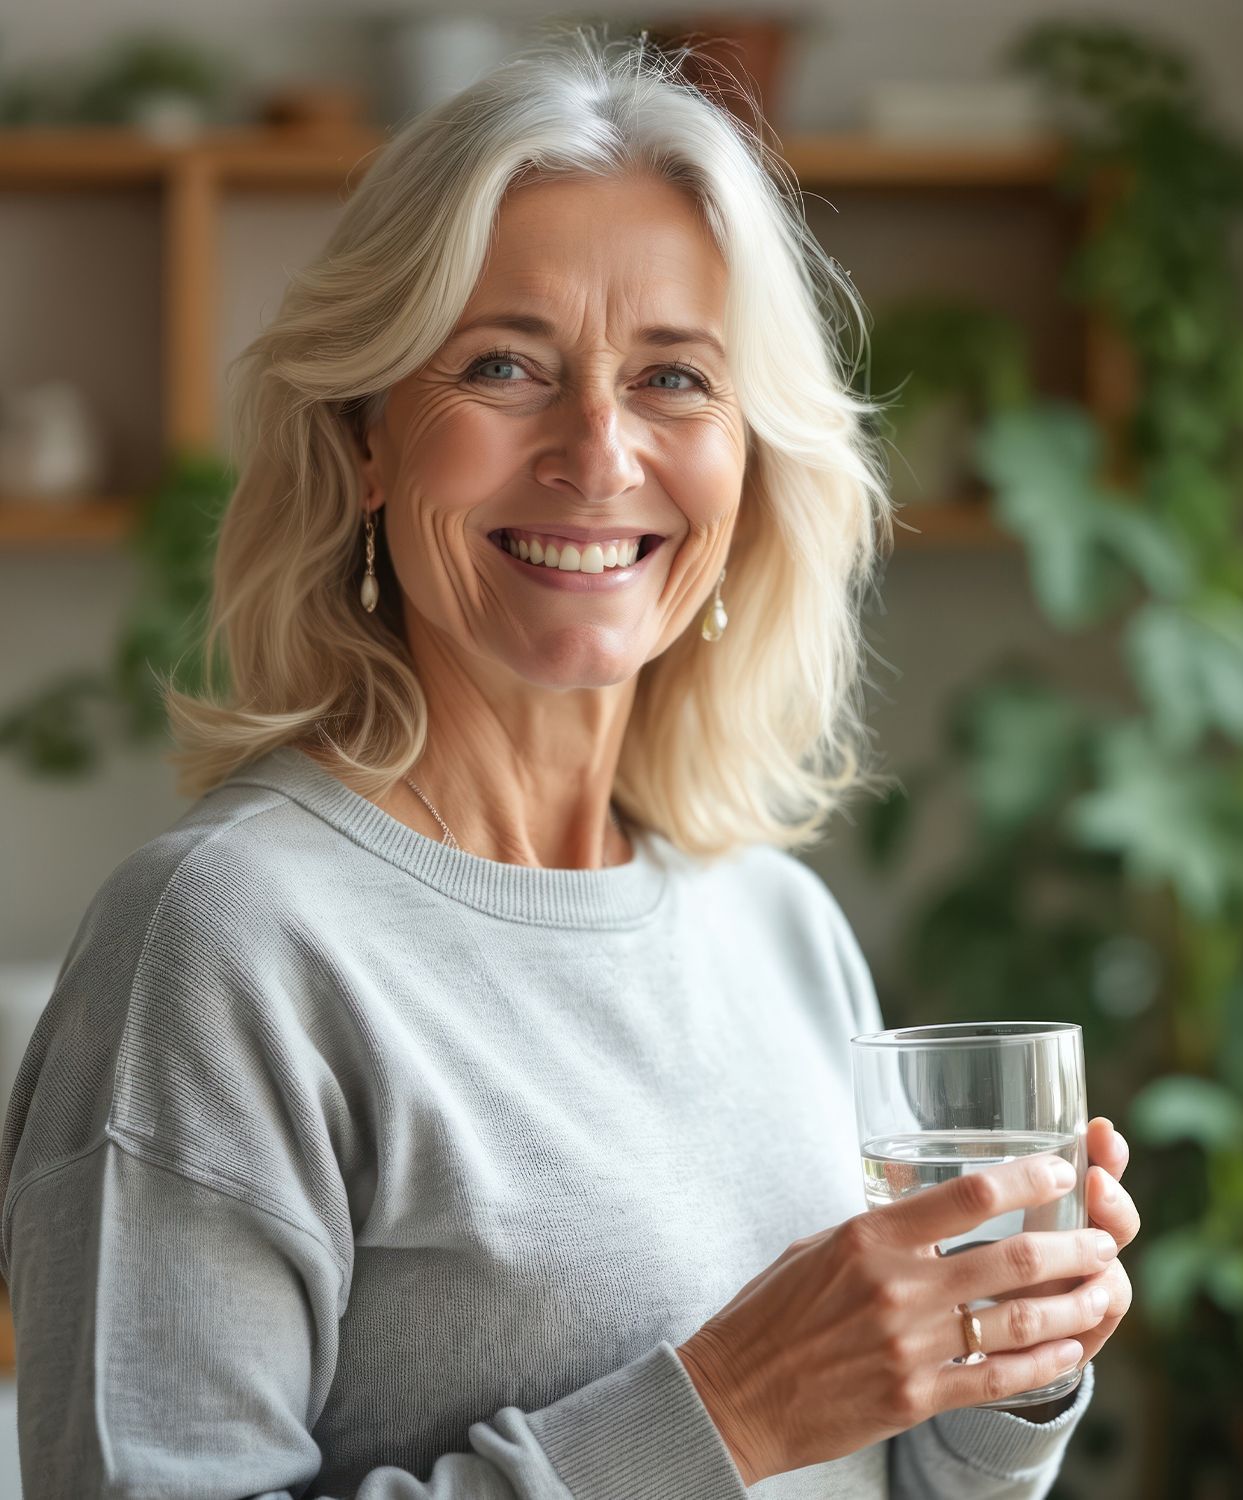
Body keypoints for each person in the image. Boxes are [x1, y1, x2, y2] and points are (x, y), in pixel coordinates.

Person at [0, 27, 1139, 1499]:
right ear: (366, 439)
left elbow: (877, 1481)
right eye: (502, 366)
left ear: (747, 459)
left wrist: (1002, 1375)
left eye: (674, 379)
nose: (598, 453)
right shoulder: (220, 947)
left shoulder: (776, 924)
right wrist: (724, 1407)